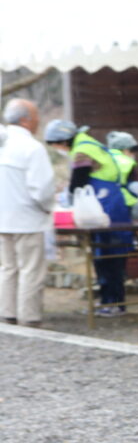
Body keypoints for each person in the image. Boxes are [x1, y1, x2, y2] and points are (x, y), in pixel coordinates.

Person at [44, 118, 131, 317]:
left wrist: (67, 197)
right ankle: (110, 302)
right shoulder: (88, 143)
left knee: (107, 257)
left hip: (104, 206)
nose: (57, 148)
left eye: (55, 144)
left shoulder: (82, 150)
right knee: (112, 256)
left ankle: (112, 303)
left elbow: (78, 182)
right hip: (110, 203)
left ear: (64, 140)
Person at [0, 99, 55, 327]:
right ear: (25, 120)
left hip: (2, 218)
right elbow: (41, 189)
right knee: (30, 270)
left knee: (7, 268)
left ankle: (6, 313)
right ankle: (29, 316)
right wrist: (48, 208)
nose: (39, 121)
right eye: (36, 117)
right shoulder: (32, 148)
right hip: (27, 219)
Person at [106, 131, 138, 220]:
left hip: (104, 202)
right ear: (125, 150)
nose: (133, 155)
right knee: (137, 187)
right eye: (132, 151)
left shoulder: (104, 157)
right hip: (123, 203)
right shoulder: (126, 162)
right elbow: (136, 186)